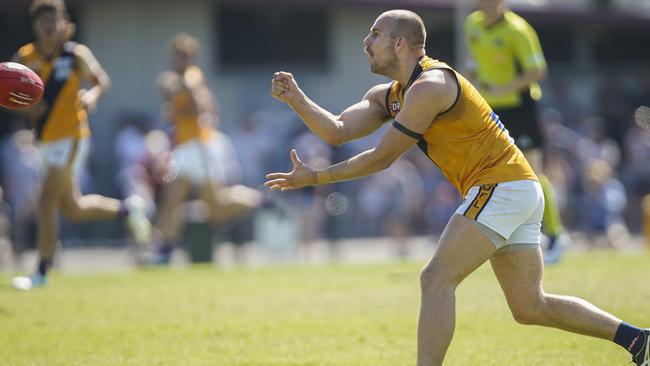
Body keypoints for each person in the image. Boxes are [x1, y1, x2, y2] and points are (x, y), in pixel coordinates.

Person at [265, 9, 649, 366]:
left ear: (400, 44)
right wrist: (296, 98)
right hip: (515, 188)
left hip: (501, 186)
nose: (366, 41)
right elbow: (338, 130)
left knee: (435, 278)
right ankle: (636, 339)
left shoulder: (431, 85)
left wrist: (315, 178)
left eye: (375, 34)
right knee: (530, 307)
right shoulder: (392, 95)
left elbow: (382, 158)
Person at [11, 0, 151, 290]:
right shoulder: (25, 57)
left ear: (63, 22)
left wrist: (92, 96)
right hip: (44, 141)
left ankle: (41, 271)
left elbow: (102, 81)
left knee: (46, 200)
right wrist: (27, 109)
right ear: (35, 25)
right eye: (42, 21)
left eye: (53, 20)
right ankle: (128, 209)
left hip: (73, 137)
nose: (48, 26)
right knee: (73, 208)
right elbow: (12, 99)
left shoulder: (76, 54)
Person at [464, 0, 566, 263]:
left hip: (520, 107)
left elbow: (537, 70)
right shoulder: (472, 24)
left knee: (532, 172)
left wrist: (505, 88)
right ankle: (505, 234)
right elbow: (475, 60)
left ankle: (555, 235)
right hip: (490, 109)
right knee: (492, 172)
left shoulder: (518, 30)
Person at [152, 33, 261, 264]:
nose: (177, 60)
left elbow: (201, 110)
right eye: (175, 56)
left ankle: (260, 201)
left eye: (182, 56)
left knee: (215, 207)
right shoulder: (179, 80)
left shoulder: (191, 79)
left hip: (197, 147)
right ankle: (165, 250)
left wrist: (177, 107)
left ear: (190, 58)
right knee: (178, 200)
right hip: (187, 147)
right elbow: (210, 108)